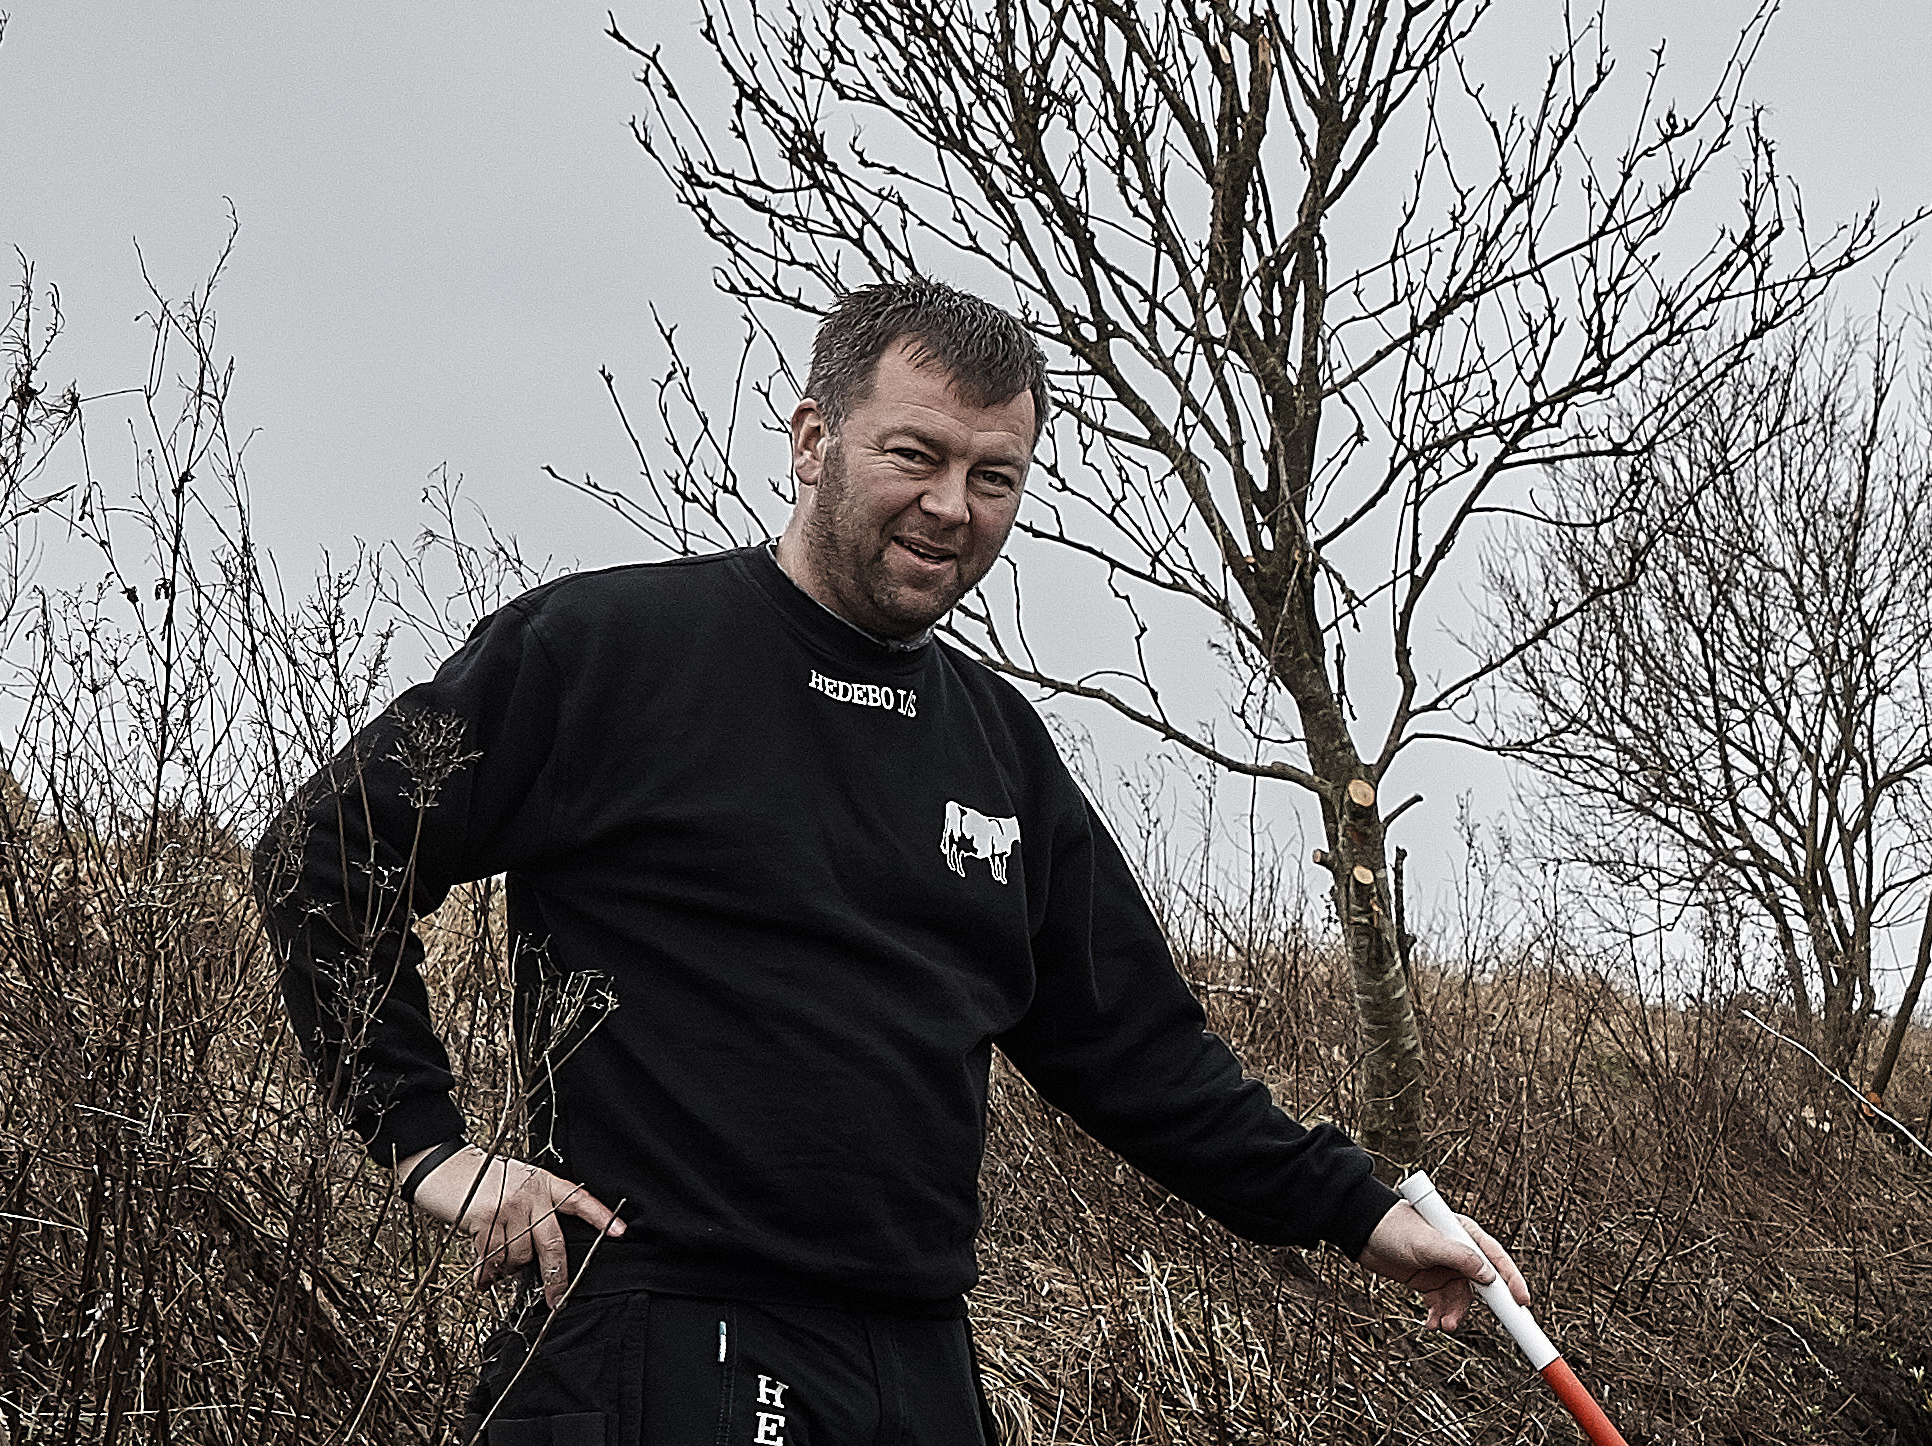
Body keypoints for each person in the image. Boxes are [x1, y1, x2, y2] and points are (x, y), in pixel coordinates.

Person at [255, 278, 1527, 1444]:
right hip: (659, 1342)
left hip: (914, 1366)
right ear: (814, 439)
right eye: (915, 456)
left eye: (994, 475)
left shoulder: (998, 747)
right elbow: (326, 852)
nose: (951, 507)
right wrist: (428, 1148)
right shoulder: (606, 651)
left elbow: (1143, 1055)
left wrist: (1362, 1212)